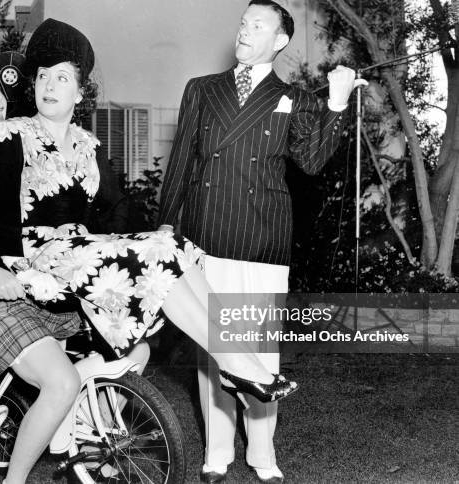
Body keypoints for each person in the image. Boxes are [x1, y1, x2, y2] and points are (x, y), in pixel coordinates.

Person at [0, 18, 300, 475]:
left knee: (170, 243)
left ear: (80, 92)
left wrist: (148, 240)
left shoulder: (88, 145)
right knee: (158, 250)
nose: (49, 86)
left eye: (62, 77)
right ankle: (235, 360)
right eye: (43, 75)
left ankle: (233, 358)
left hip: (82, 253)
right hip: (36, 259)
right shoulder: (11, 136)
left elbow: (119, 209)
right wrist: (1, 273)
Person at [0, 56, 148, 484]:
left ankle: (71, 438)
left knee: (135, 348)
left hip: (39, 289)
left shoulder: (23, 157)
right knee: (59, 382)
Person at [158, 1, 356, 482]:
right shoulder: (202, 90)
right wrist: (167, 228)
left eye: (258, 25)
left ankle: (262, 456)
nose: (245, 30)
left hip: (262, 237)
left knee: (259, 349)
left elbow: (310, 161)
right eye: (244, 22)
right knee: (215, 352)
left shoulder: (294, 98)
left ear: (280, 40)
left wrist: (335, 100)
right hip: (206, 237)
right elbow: (182, 162)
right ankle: (217, 453)